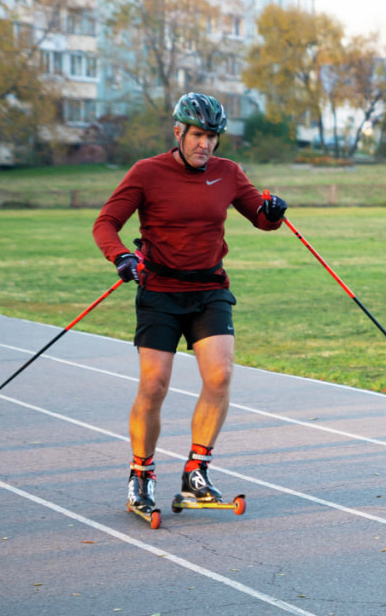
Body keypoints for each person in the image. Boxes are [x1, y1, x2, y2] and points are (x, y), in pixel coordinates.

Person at [92, 92, 288, 516]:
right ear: (178, 132)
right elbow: (106, 222)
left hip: (209, 290)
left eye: (213, 136)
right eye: (198, 135)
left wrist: (273, 211)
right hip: (160, 291)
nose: (206, 145)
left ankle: (196, 471)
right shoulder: (147, 173)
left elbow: (261, 217)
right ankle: (140, 475)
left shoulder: (228, 173)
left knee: (219, 375)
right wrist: (121, 256)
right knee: (155, 384)